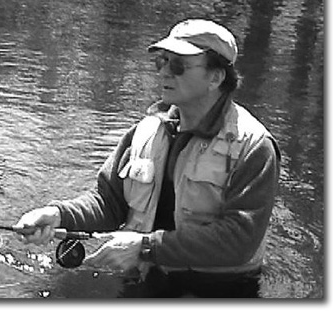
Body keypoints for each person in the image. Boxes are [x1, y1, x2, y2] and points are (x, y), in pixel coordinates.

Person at [15, 18, 281, 298]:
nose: (164, 72)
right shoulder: (145, 130)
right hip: (145, 280)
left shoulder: (255, 148)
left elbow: (239, 240)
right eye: (161, 62)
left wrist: (144, 246)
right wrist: (59, 215)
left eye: (178, 65)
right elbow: (109, 202)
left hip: (220, 292)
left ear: (216, 77)